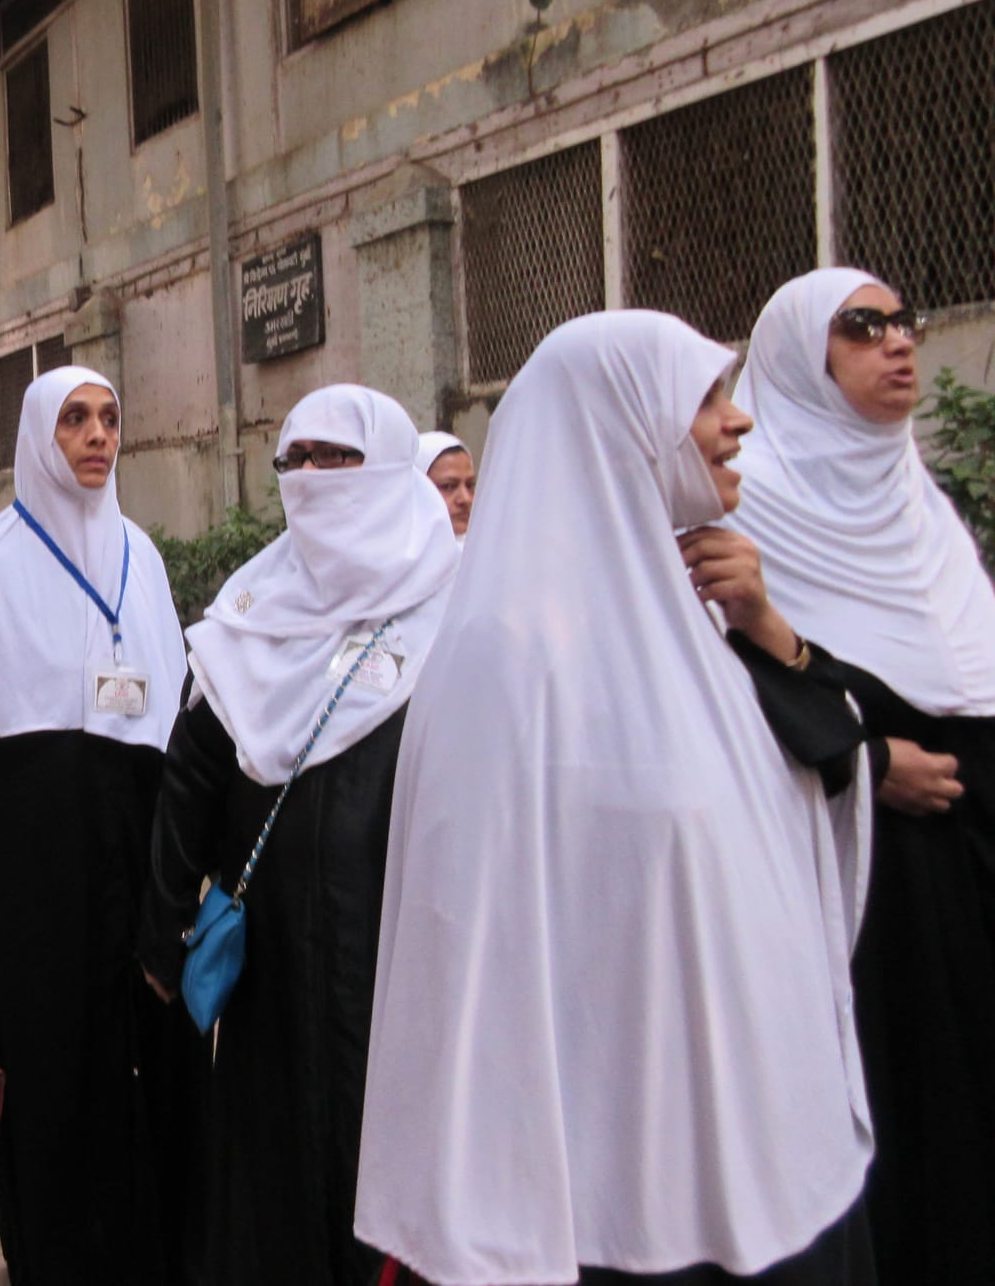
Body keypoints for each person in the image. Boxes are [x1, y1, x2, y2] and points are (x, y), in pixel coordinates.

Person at [356, 311, 875, 1286]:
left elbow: (824, 766)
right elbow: (466, 954)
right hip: (607, 1194)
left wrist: (766, 626)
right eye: (704, 401)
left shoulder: (688, 622)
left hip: (762, 1145)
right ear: (618, 429)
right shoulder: (502, 661)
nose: (738, 424)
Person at [141, 386, 458, 1286]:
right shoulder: (254, 607)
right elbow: (194, 769)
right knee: (274, 1165)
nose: (313, 480)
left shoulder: (458, 605)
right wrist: (162, 933)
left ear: (394, 468)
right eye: (298, 461)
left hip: (403, 956)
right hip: (271, 958)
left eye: (337, 458)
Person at [727, 267, 995, 1282]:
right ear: (801, 359)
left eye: (900, 322)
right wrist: (864, 762)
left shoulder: (919, 509)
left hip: (963, 874)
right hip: (850, 895)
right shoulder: (744, 527)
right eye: (860, 327)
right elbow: (719, 706)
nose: (895, 343)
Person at [0, 365, 207, 1285]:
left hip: (141, 836)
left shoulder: (143, 557)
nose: (96, 437)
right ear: (41, 434)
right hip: (37, 853)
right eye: (76, 420)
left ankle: (149, 1241)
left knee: (148, 1036)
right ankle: (53, 1250)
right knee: (48, 1051)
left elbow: (175, 723)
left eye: (110, 419)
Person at [416, 431, 476, 540]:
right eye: (448, 486)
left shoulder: (486, 551)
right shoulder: (388, 553)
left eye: (469, 485)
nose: (466, 499)